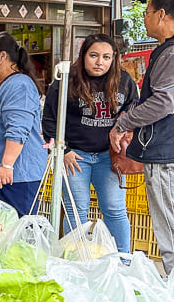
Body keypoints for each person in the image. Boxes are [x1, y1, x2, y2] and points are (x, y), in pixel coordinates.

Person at [42, 34, 138, 253]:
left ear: (114, 58)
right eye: (94, 55)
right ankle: (76, 260)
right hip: (75, 157)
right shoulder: (65, 81)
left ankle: (123, 259)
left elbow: (134, 109)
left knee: (115, 209)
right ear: (83, 55)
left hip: (110, 157)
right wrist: (64, 150)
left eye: (106, 57)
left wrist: (124, 130)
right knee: (76, 211)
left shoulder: (124, 80)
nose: (99, 62)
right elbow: (49, 120)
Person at [111, 0, 174, 273]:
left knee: (169, 228)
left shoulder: (170, 54)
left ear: (161, 14)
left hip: (165, 154)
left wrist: (123, 123)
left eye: (147, 12)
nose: (145, 19)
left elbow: (163, 102)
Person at [0, 32, 47, 215]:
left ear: (2, 56)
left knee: (15, 227)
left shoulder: (20, 85)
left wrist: (7, 165)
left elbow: (17, 130)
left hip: (15, 176)